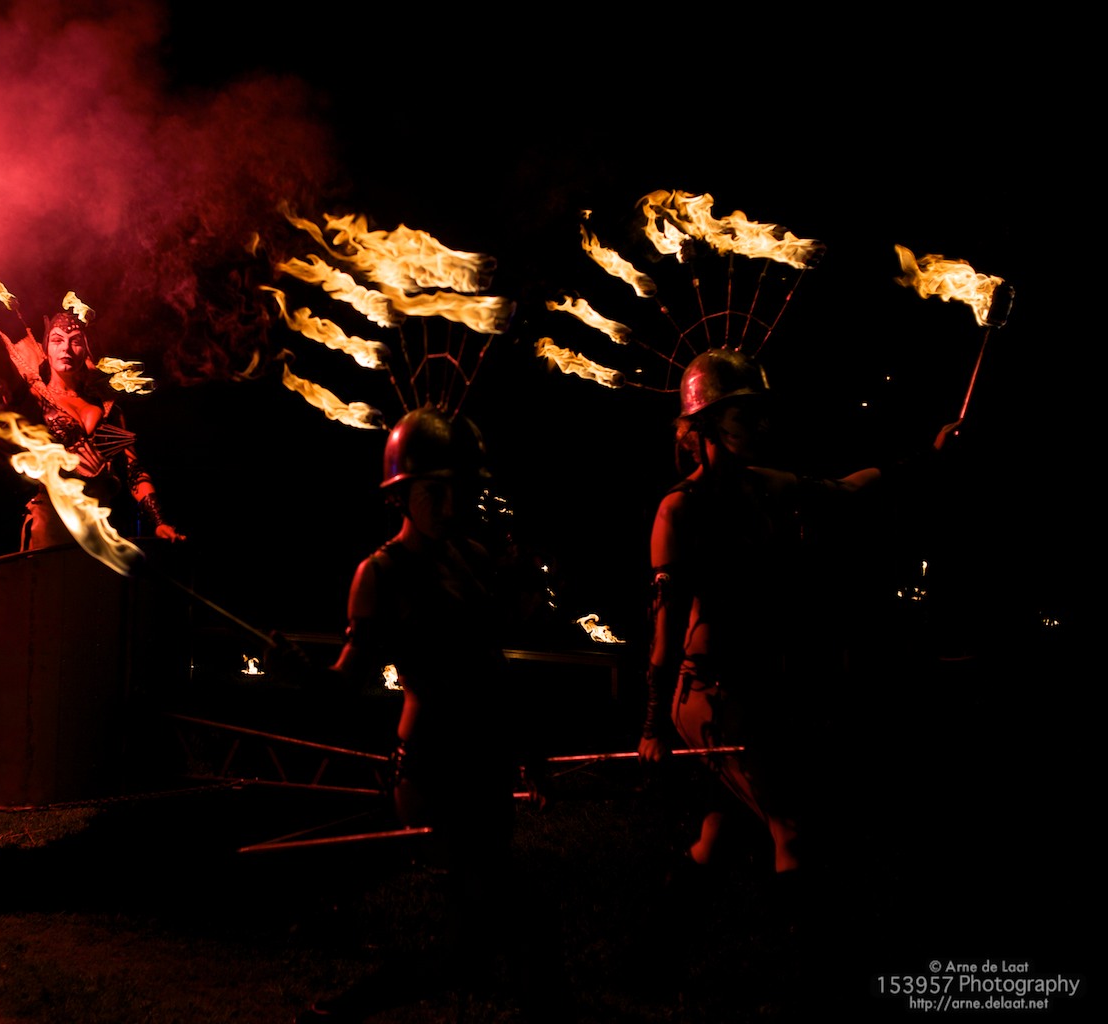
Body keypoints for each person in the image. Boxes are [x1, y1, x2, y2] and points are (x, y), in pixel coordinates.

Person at [283, 406, 569, 1023]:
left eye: (457, 490)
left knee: (471, 941)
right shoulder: (379, 574)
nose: (448, 504)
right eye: (433, 491)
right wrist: (303, 675)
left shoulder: (470, 556)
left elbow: (492, 667)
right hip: (432, 769)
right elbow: (344, 686)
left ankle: (337, 1013)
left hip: (486, 764)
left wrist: (530, 755)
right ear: (400, 494)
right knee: (515, 913)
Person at [636, 347, 956, 883]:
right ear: (709, 424)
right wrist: (652, 727)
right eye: (745, 413)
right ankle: (807, 930)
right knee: (791, 829)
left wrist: (930, 459)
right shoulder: (679, 509)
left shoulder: (763, 485)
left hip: (756, 687)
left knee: (724, 826)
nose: (762, 424)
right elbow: (665, 633)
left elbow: (848, 491)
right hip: (709, 696)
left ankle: (686, 892)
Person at [0, 275, 185, 550]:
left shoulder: (108, 408)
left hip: (101, 523)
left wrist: (159, 521)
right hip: (51, 522)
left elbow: (134, 471)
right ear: (47, 349)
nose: (66, 348)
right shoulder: (34, 397)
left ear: (85, 350)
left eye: (75, 341)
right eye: (57, 340)